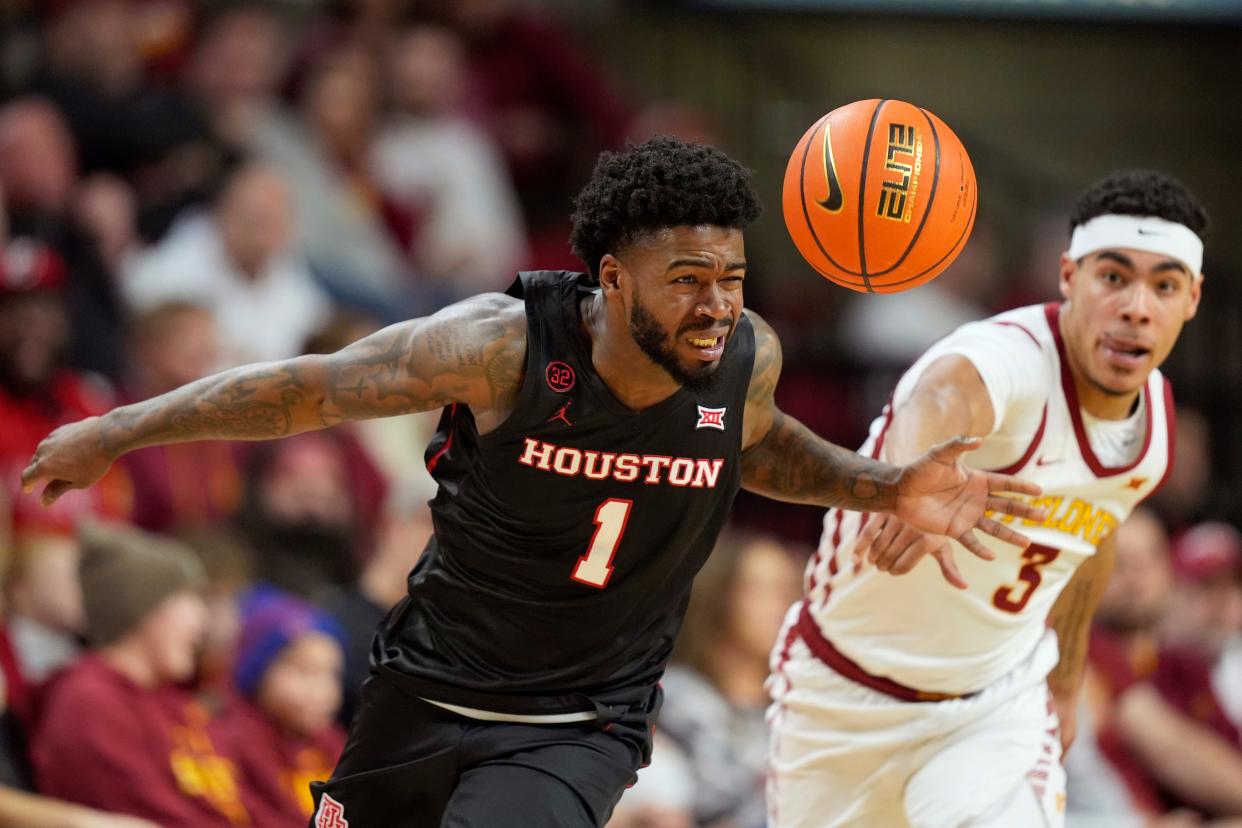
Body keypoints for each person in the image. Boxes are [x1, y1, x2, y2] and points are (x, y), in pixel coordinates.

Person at [21, 136, 1040, 827]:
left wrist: (882, 486)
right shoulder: (503, 350)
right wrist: (115, 429)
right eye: (687, 280)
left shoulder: (746, 361)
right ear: (611, 280)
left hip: (582, 715)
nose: (717, 305)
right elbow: (306, 390)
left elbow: (760, 446)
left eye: (730, 279)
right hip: (427, 687)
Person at [767, 169, 1205, 827]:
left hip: (995, 708)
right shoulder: (1006, 355)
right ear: (1068, 276)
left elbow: (1091, 537)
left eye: (1164, 285)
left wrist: (1064, 682)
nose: (1137, 306)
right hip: (841, 694)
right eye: (1113, 276)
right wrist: (917, 476)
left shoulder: (1155, 431)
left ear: (1192, 300)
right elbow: (941, 393)